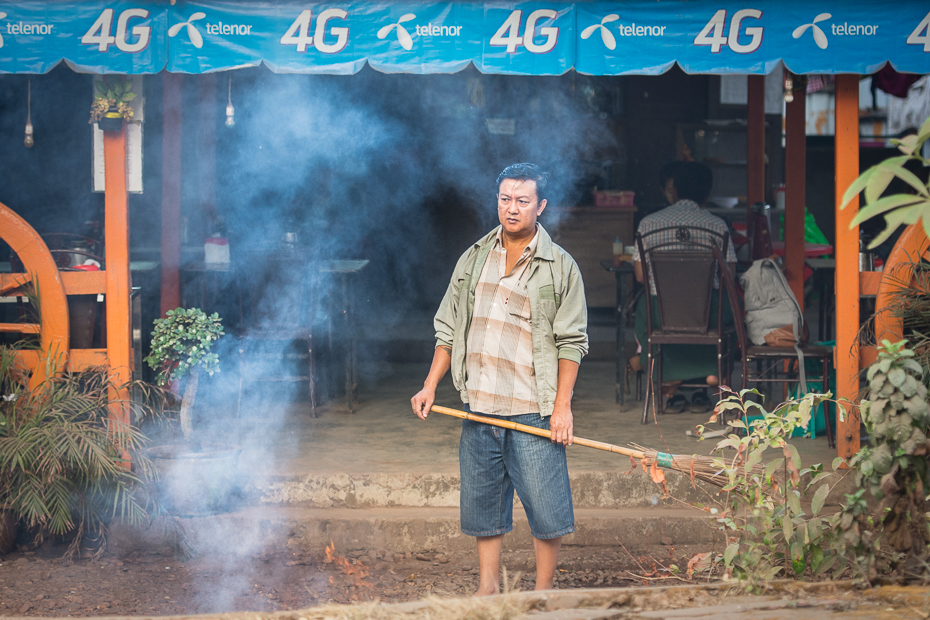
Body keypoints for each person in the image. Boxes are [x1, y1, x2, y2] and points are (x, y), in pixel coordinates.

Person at [410, 163, 588, 595]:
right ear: (497, 201)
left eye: (523, 200)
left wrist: (561, 407)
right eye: (505, 199)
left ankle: (542, 593)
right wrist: (430, 384)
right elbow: (448, 328)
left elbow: (571, 343)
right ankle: (488, 591)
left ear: (540, 206)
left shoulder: (559, 267)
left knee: (546, 512)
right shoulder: (473, 259)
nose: (512, 208)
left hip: (532, 409)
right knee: (483, 508)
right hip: (479, 407)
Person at [630, 160, 737, 413]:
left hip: (661, 313)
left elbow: (639, 276)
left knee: (645, 311)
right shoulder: (717, 226)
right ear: (708, 195)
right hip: (706, 314)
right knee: (731, 311)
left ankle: (669, 378)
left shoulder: (648, 224)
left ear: (674, 191)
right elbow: (728, 275)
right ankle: (711, 375)